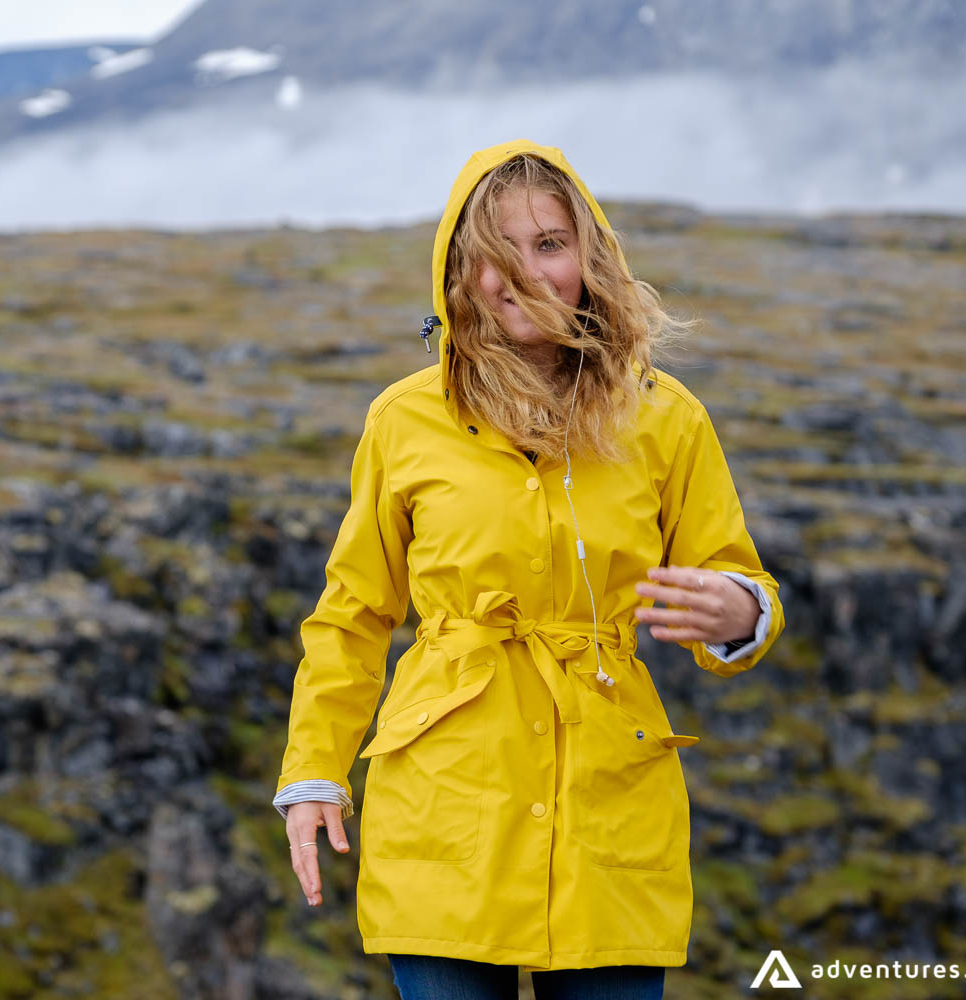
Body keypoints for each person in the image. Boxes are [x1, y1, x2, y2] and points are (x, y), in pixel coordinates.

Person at [270, 140, 786, 1000]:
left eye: (549, 244)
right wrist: (313, 769)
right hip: (445, 805)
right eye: (494, 253)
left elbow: (737, 581)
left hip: (609, 813)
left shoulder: (667, 419)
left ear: (590, 257)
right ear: (457, 268)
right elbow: (354, 613)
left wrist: (740, 612)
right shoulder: (404, 420)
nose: (522, 274)